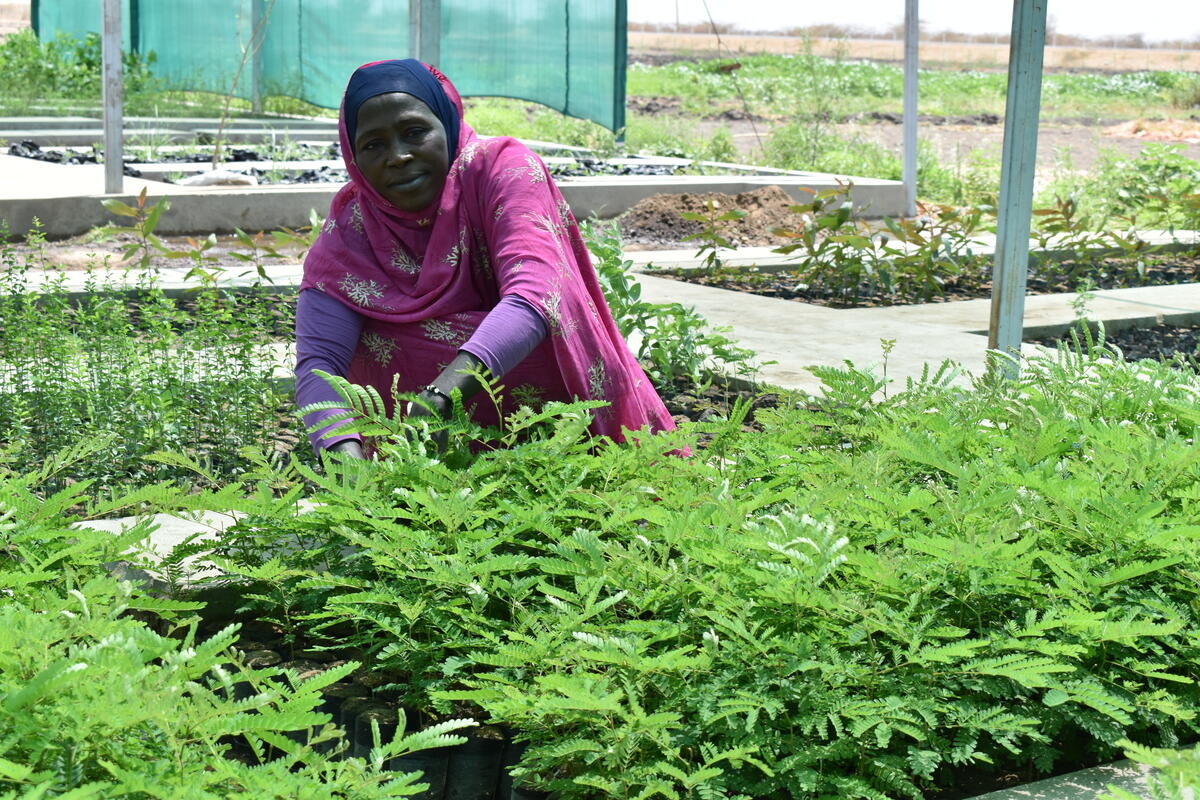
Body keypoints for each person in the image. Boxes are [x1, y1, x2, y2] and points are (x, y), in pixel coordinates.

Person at [295, 59, 676, 458]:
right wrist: (346, 463)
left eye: (414, 132)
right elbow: (319, 362)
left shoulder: (501, 171)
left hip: (559, 443)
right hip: (414, 464)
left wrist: (442, 395)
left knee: (546, 319)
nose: (398, 156)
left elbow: (535, 293)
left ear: (447, 122)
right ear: (353, 156)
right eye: (374, 144)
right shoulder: (353, 227)